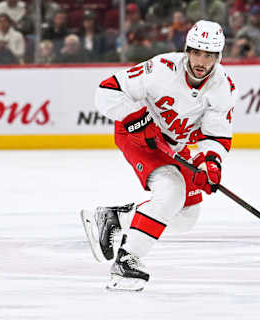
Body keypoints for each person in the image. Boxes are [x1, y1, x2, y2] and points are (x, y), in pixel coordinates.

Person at [80, 20, 237, 292]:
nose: (201, 61)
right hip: (136, 137)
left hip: (173, 145)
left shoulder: (223, 87)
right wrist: (136, 120)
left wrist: (210, 163)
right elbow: (107, 90)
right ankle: (127, 260)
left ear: (218, 57)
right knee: (172, 191)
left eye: (209, 55)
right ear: (187, 49)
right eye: (197, 52)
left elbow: (215, 136)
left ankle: (116, 217)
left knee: (187, 216)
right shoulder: (161, 68)